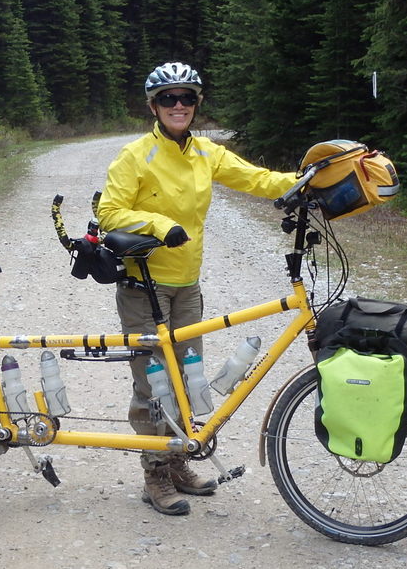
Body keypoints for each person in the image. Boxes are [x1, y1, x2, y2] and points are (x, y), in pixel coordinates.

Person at [96, 62, 297, 516]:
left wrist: (310, 180)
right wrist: (161, 225)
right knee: (152, 384)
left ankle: (179, 462)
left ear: (197, 103)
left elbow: (259, 179)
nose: (179, 105)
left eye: (187, 97)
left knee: (187, 379)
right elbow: (110, 212)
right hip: (143, 286)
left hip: (188, 287)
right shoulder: (134, 156)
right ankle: (154, 475)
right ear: (154, 106)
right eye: (168, 98)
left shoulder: (207, 153)